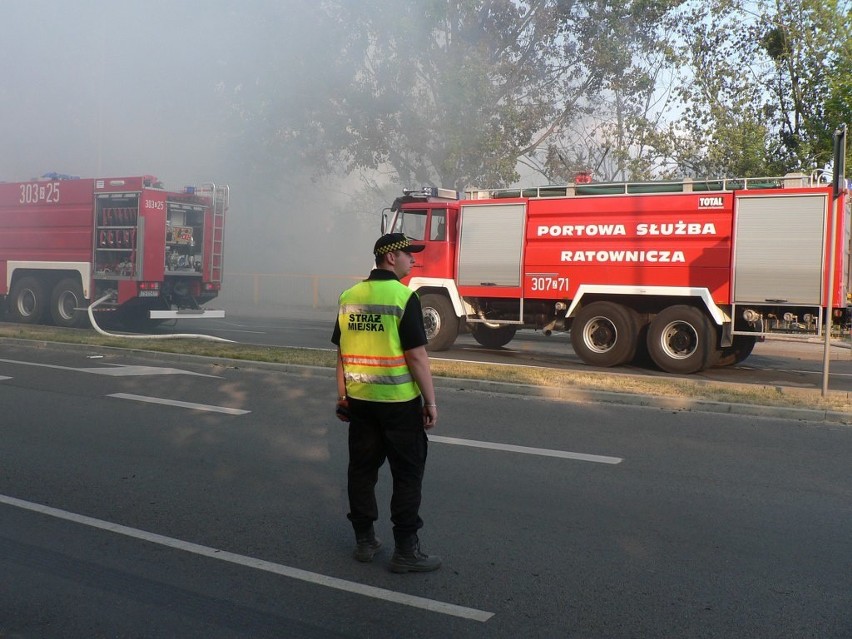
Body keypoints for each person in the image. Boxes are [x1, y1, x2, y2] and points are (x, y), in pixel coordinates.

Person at [331, 232, 441, 573]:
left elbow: (342, 354)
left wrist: (343, 396)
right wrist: (431, 402)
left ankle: (365, 541)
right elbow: (417, 356)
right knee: (407, 474)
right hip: (398, 403)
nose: (413, 259)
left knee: (361, 472)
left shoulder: (350, 296)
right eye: (409, 254)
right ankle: (406, 551)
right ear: (390, 258)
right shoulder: (403, 297)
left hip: (361, 402)